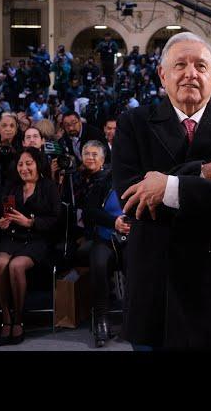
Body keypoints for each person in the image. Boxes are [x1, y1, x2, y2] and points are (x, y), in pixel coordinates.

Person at [112, 32, 211, 350]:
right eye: (180, 64)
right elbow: (131, 198)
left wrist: (166, 185)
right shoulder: (133, 123)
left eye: (200, 65)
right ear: (163, 75)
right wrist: (205, 173)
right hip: (157, 282)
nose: (190, 73)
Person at [0, 148, 61, 346]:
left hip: (38, 239)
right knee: (0, 264)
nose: (24, 168)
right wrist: (3, 222)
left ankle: (19, 320)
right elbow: (5, 213)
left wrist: (30, 222)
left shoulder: (49, 187)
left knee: (16, 266)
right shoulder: (12, 186)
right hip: (13, 237)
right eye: (21, 164)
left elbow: (56, 219)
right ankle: (6, 319)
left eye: (28, 163)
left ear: (38, 164)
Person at [71, 140, 129, 346]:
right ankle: (101, 321)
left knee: (140, 264)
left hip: (134, 239)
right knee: (98, 263)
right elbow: (90, 211)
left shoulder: (143, 178)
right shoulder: (105, 180)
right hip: (105, 237)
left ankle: (133, 320)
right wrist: (114, 222)